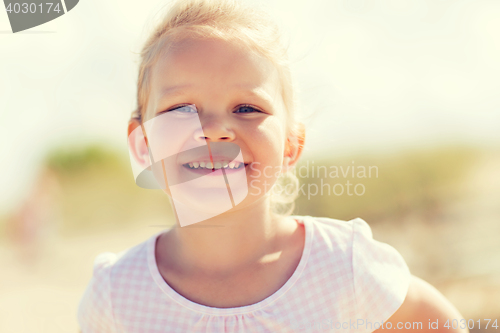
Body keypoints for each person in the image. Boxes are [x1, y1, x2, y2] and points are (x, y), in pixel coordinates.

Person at [77, 0, 467, 332]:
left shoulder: (343, 265)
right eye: (181, 109)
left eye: (247, 108)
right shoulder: (116, 295)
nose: (214, 131)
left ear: (291, 146)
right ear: (143, 143)